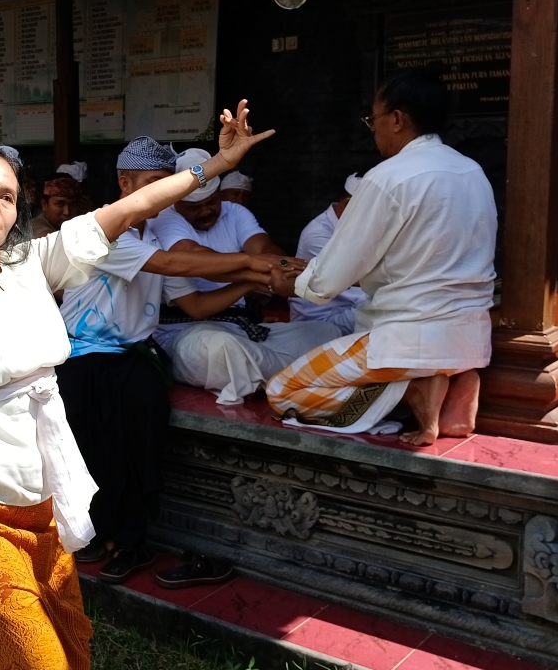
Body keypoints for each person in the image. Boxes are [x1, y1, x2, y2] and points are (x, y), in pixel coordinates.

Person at [0, 58, 273, 669]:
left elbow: (129, 209)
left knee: (71, 647)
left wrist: (212, 167)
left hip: (39, 492)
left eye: (6, 195)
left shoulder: (33, 262)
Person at [57, 136, 288, 585]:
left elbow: (196, 306)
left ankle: (131, 541)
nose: (162, 194)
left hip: (132, 355)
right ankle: (97, 533)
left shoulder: (156, 231)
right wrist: (258, 265)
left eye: (168, 184)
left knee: (143, 430)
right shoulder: (100, 228)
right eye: (152, 184)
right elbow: (172, 265)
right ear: (124, 183)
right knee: (96, 445)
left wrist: (250, 281)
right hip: (81, 354)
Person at [267, 68, 496, 446]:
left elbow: (326, 281)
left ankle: (413, 392)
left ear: (397, 119)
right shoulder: (473, 173)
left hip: (405, 339)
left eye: (373, 120)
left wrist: (291, 285)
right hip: (469, 338)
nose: (373, 130)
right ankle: (454, 382)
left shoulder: (388, 177)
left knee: (284, 392)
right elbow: (414, 264)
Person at [147, 148, 340, 405]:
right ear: (177, 201)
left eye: (211, 202)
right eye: (194, 207)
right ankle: (307, 373)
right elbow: (195, 257)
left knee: (328, 332)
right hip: (186, 334)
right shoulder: (164, 218)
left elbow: (264, 250)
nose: (205, 211)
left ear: (219, 193)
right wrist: (256, 273)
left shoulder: (235, 212)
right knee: (222, 350)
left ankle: (274, 373)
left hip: (240, 329)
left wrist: (282, 268)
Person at [288, 173, 369, 335]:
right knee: (387, 309)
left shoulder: (356, 226)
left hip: (349, 308)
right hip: (319, 320)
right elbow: (348, 283)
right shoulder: (317, 234)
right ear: (348, 205)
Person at [30, 172, 83, 237]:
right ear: (44, 204)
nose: (67, 212)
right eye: (60, 204)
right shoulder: (35, 226)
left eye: (73, 204)